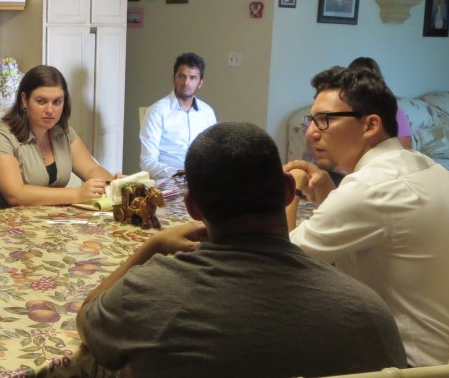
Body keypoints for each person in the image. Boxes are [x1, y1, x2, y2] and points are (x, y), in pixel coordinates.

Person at [78, 123, 407, 377]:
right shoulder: (367, 314)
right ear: (287, 191)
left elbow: (88, 319)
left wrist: (151, 247)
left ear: (192, 207)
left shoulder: (147, 294)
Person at [285, 66, 449, 367]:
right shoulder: (427, 167)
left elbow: (279, 261)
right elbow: (375, 228)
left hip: (416, 366)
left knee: (274, 329)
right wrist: (328, 193)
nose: (312, 131)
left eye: (324, 119)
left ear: (370, 125)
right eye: (311, 119)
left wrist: (290, 190)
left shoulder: (371, 188)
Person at [0, 65, 119, 214]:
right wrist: (77, 193)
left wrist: (112, 184)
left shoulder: (63, 132)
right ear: (24, 100)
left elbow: (91, 170)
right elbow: (16, 195)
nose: (50, 110)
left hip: (36, 218)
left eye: (57, 102)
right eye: (41, 101)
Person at [140, 52, 217, 179]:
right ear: (174, 78)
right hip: (169, 180)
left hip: (201, 180)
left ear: (200, 83)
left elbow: (213, 154)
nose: (186, 82)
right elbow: (147, 162)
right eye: (182, 76)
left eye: (192, 78)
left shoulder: (207, 112)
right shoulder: (156, 111)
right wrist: (178, 173)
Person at [348, 57, 413, 149]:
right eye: (360, 79)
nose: (365, 84)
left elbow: (406, 151)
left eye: (370, 79)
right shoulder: (344, 109)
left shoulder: (394, 111)